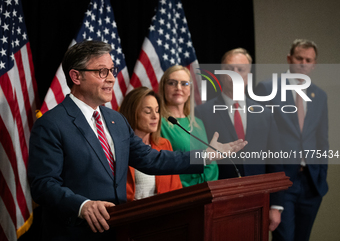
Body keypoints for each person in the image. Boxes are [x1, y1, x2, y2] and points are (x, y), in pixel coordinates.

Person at [28, 40, 247, 241]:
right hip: (74, 234)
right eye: (102, 72)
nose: (112, 78)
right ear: (76, 77)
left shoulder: (115, 119)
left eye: (112, 70)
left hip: (119, 231)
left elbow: (151, 159)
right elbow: (43, 184)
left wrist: (206, 156)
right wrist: (82, 205)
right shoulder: (52, 124)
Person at [195, 48, 284, 232]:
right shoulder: (202, 113)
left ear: (248, 74)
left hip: (258, 201)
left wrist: (275, 206)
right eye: (230, 69)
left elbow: (275, 160)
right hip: (218, 202)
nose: (235, 74)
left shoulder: (265, 114)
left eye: (241, 69)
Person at [255, 39, 328, 241]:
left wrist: (321, 175)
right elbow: (259, 139)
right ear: (289, 59)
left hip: (311, 182)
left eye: (308, 60)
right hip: (282, 180)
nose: (303, 63)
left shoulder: (319, 95)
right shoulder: (267, 88)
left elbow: (322, 140)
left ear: (314, 64)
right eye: (299, 58)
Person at [158, 65, 219, 187]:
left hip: (207, 192)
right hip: (179, 193)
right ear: (163, 87)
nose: (178, 88)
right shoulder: (158, 123)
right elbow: (162, 163)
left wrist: (206, 186)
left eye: (184, 83)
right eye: (172, 83)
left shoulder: (198, 123)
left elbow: (211, 163)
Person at [119, 86, 182, 201]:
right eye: (148, 111)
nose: (155, 116)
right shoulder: (120, 147)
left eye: (157, 111)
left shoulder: (164, 144)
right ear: (132, 114)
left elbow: (176, 188)